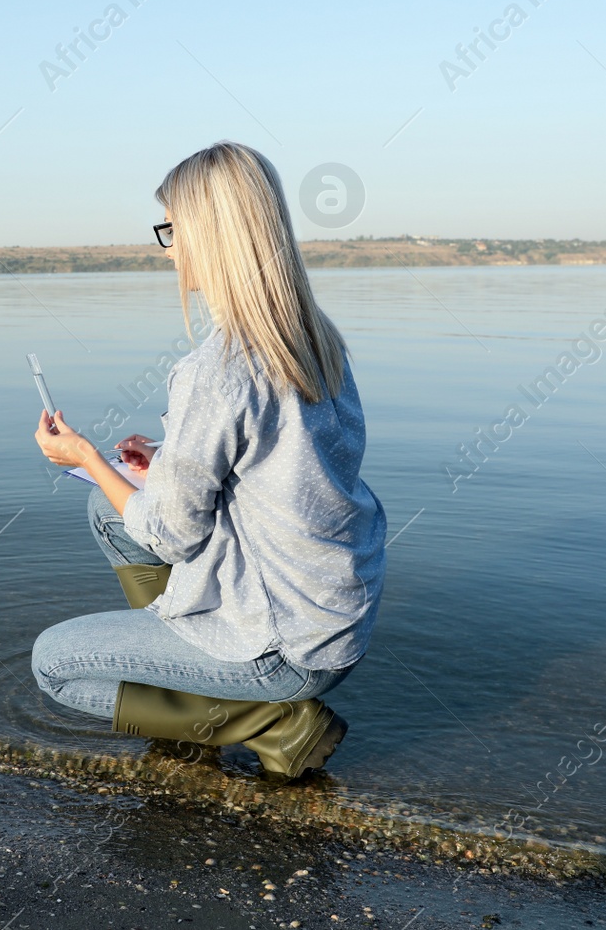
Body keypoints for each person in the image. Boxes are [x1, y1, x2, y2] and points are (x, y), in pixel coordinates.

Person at [29, 141, 387, 781]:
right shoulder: (314, 341)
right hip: (333, 620)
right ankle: (183, 695)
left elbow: (170, 533)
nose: (168, 249)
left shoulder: (215, 371)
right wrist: (165, 457)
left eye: (173, 230)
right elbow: (282, 459)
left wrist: (82, 452)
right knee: (104, 508)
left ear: (212, 236)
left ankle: (270, 723)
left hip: (284, 646)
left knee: (53, 664)